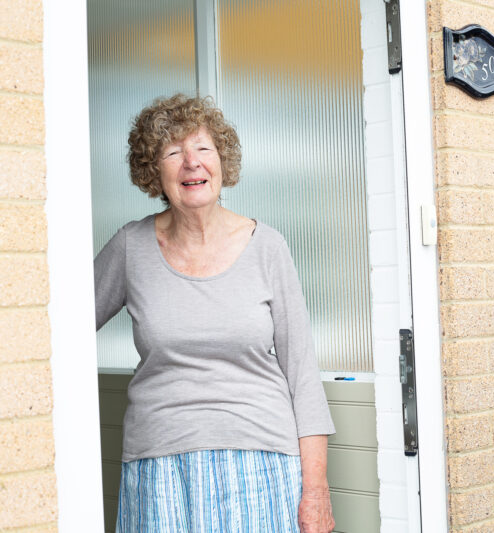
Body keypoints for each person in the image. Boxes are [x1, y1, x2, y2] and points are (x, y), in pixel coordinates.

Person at [94, 94, 336, 533]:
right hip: (159, 467)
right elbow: (55, 327)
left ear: (222, 160)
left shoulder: (268, 247)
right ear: (154, 171)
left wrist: (316, 490)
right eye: (173, 152)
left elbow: (302, 375)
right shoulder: (131, 248)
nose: (192, 163)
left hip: (260, 462)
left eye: (203, 148)